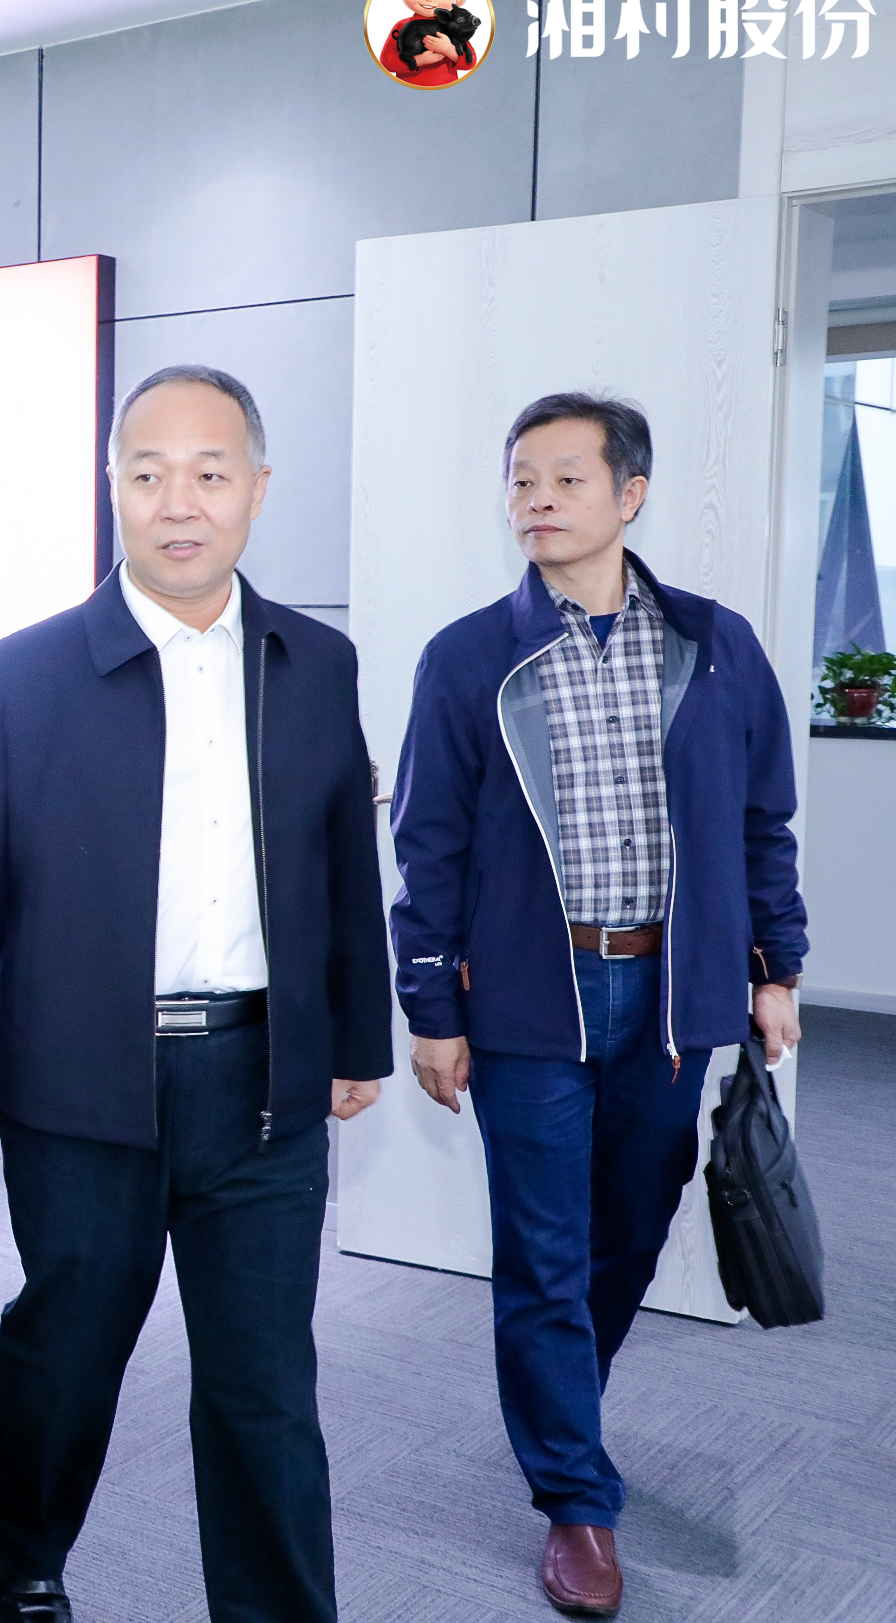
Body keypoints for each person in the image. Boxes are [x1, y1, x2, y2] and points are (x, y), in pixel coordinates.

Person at [0, 365, 389, 1623]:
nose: (180, 502)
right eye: (148, 473)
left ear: (257, 489)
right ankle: (22, 1563)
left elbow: (345, 861)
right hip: (83, 1082)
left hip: (262, 1079)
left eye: (210, 473)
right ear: (111, 486)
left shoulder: (315, 661)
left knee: (264, 1381)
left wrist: (357, 1034)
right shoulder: (22, 673)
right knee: (65, 1350)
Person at [389, 392, 805, 1619]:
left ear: (630, 493)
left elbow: (762, 819)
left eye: (565, 478)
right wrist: (429, 1003)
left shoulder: (714, 644)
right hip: (529, 997)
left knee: (628, 1226)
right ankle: (576, 1496)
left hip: (672, 995)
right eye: (521, 479)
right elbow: (427, 843)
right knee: (544, 1252)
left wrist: (774, 965)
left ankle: (561, 1392)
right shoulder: (467, 656)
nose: (536, 500)